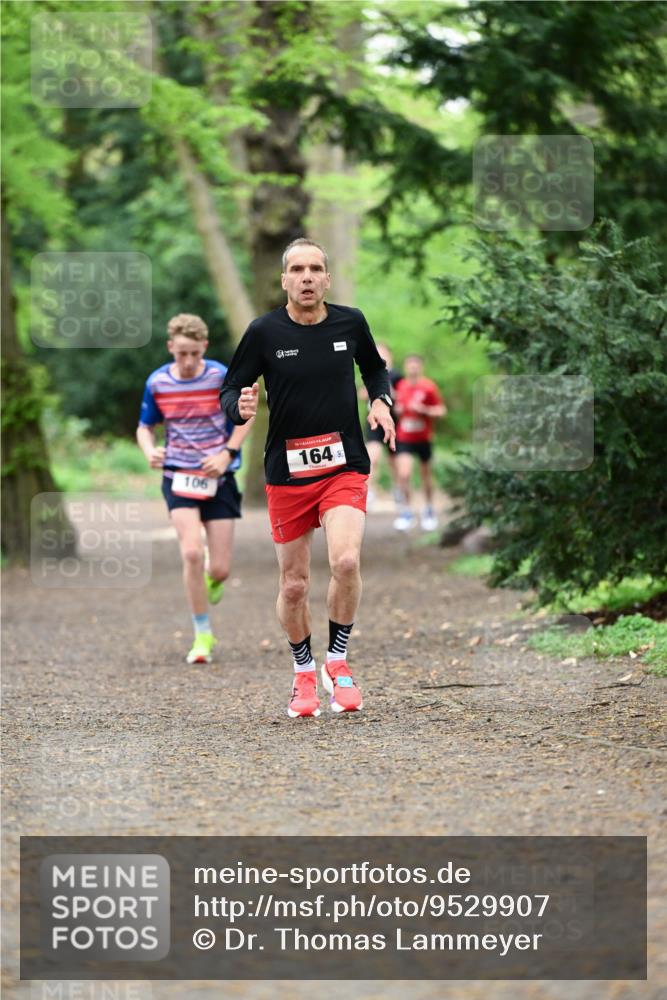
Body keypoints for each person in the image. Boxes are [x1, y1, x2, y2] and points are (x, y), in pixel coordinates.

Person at [220, 238, 395, 718]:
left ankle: (337, 663)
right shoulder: (263, 332)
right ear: (284, 280)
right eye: (297, 269)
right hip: (288, 473)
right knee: (294, 584)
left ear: (327, 278)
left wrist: (381, 402)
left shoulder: (350, 322)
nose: (307, 277)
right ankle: (302, 672)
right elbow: (231, 387)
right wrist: (239, 406)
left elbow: (376, 373)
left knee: (345, 561)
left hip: (344, 466)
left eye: (315, 268)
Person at [137, 313, 254, 665]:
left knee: (219, 569)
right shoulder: (158, 382)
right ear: (171, 347)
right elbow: (144, 427)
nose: (187, 362)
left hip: (219, 478)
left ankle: (212, 578)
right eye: (181, 353)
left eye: (194, 353)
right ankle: (202, 632)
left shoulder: (220, 375)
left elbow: (245, 417)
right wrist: (149, 450)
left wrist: (226, 453)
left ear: (204, 347)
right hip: (178, 475)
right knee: (190, 552)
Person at [393, 353, 446, 532]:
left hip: (423, 438)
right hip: (404, 437)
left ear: (421, 367)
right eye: (410, 366)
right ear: (406, 368)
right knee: (404, 474)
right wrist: (397, 410)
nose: (413, 368)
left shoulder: (429, 387)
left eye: (416, 366)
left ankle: (429, 509)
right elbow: (395, 408)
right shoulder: (400, 386)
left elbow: (441, 410)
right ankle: (407, 512)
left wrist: (424, 410)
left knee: (426, 476)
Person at [358, 342, 403, 510]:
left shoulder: (397, 375)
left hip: (394, 422)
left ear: (389, 355)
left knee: (394, 461)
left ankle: (399, 490)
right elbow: (362, 393)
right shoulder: (371, 373)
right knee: (372, 457)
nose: (380, 355)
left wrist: (388, 391)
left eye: (382, 352)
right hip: (374, 422)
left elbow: (404, 395)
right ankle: (369, 492)